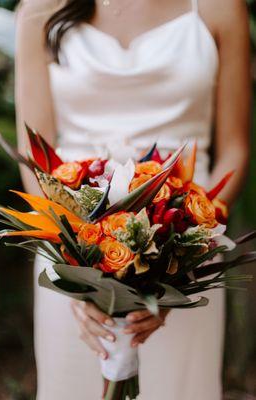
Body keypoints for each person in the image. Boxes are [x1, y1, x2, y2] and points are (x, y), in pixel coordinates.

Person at [15, 0, 251, 399]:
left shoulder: (220, 8)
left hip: (187, 243)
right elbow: (34, 154)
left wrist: (184, 258)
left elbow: (235, 149)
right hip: (71, 246)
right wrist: (75, 267)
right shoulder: (39, 10)